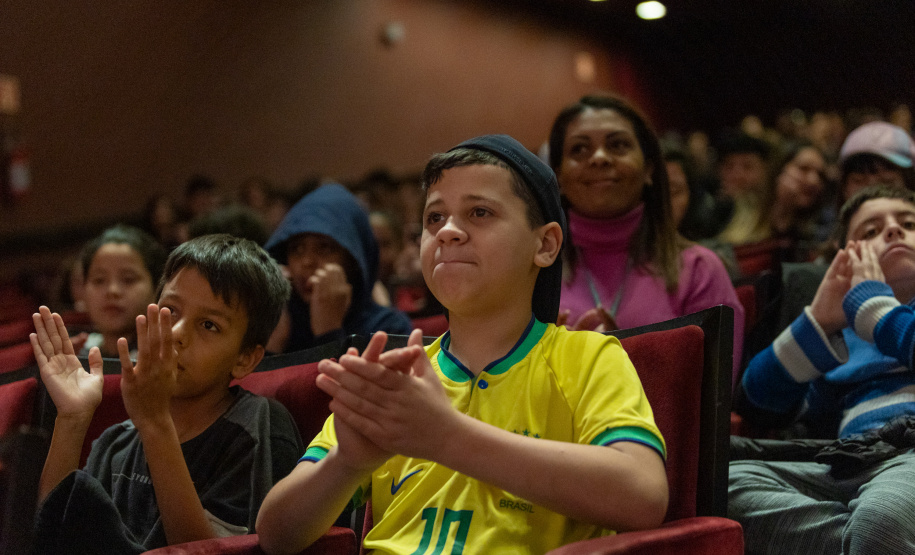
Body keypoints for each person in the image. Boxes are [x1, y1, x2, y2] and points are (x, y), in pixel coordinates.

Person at [256, 134, 668, 554]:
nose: (449, 231)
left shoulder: (585, 357)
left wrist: (447, 437)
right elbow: (275, 536)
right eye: (434, 218)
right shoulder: (398, 377)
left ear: (544, 245)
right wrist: (347, 462)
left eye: (479, 212)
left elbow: (643, 495)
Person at [30, 234, 303, 553]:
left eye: (208, 325)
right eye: (170, 311)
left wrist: (156, 424)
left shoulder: (258, 427)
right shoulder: (119, 440)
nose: (175, 334)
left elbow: (208, 550)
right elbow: (52, 534)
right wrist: (71, 420)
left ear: (245, 358)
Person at [729, 186, 915, 554]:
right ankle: (866, 540)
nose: (892, 230)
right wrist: (815, 323)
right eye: (870, 231)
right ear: (845, 258)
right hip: (850, 463)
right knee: (723, 489)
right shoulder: (847, 335)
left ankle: (877, 533)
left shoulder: (872, 317)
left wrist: (876, 312)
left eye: (908, 223)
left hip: (910, 458)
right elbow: (758, 401)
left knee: (881, 517)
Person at [548, 94, 745, 377]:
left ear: (649, 169)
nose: (599, 158)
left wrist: (624, 361)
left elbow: (710, 396)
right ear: (559, 177)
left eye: (617, 145)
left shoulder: (699, 270)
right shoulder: (532, 272)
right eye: (579, 149)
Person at [264, 184, 412, 353]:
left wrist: (328, 332)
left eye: (324, 248)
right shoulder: (282, 323)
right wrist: (272, 344)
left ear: (353, 260)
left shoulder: (388, 328)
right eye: (297, 249)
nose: (307, 261)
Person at [78, 225, 168, 358]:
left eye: (128, 279)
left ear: (157, 288)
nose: (112, 291)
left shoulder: (168, 360)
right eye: (99, 280)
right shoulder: (75, 356)